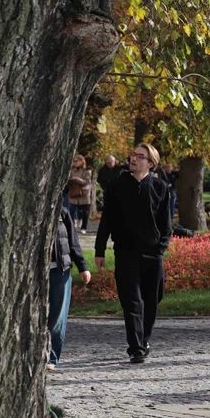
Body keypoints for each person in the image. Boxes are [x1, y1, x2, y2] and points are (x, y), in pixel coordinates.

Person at [94, 142, 172, 364]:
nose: (134, 159)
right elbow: (106, 220)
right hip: (126, 253)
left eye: (140, 156)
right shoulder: (117, 186)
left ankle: (144, 339)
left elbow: (166, 224)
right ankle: (136, 347)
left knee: (152, 299)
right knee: (132, 302)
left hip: (152, 254)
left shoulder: (160, 188)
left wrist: (160, 249)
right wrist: (100, 250)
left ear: (151, 163)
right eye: (132, 155)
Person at [48, 206, 92, 370]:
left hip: (60, 270)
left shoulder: (62, 212)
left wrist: (83, 267)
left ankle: (51, 357)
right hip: (34, 273)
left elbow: (73, 241)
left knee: (58, 317)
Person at [67, 155, 93, 233]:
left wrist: (78, 180)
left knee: (85, 211)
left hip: (84, 193)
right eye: (73, 161)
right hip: (74, 192)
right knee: (72, 210)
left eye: (76, 161)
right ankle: (72, 225)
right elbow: (68, 179)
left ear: (82, 161)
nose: (74, 163)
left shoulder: (87, 170)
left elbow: (87, 182)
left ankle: (84, 227)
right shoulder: (71, 170)